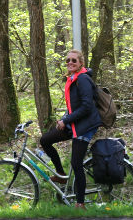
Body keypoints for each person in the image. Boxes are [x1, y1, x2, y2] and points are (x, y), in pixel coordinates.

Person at [40, 49, 102, 209]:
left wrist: (67, 119)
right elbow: (74, 105)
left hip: (85, 125)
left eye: (74, 60)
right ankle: (60, 174)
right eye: (67, 60)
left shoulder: (83, 79)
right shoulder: (73, 79)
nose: (70, 63)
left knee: (76, 163)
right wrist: (64, 118)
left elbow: (87, 107)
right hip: (75, 123)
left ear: (81, 63)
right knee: (45, 140)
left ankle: (80, 203)